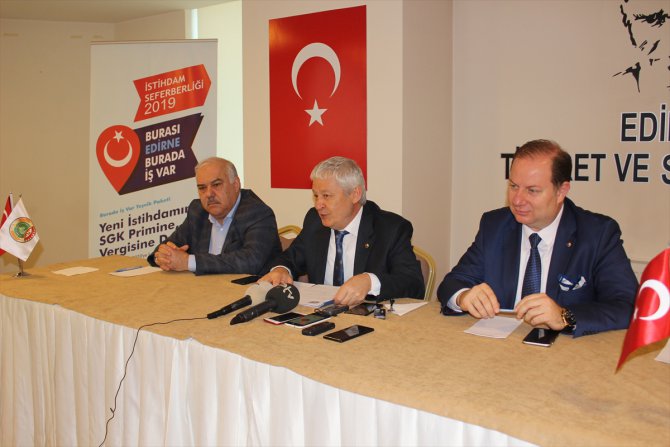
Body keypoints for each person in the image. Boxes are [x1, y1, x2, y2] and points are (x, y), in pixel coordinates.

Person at [437, 139, 638, 337]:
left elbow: (628, 306)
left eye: (532, 190)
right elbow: (452, 283)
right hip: (497, 347)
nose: (517, 200)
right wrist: (464, 296)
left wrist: (565, 316)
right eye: (513, 186)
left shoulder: (598, 234)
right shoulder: (495, 225)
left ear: (561, 191)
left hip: (566, 352)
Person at [260, 156, 425, 306]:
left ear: (355, 194)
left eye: (326, 196)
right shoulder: (315, 221)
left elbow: (414, 284)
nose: (318, 205)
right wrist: (281, 269)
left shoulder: (390, 228)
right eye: (316, 196)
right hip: (320, 316)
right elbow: (291, 257)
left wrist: (370, 281)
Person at [148, 157, 282, 275]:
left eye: (216, 185)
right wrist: (164, 256)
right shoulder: (197, 211)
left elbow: (250, 261)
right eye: (202, 188)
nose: (209, 194)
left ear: (235, 184)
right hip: (204, 289)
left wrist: (188, 261)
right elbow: (166, 247)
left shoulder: (258, 213)